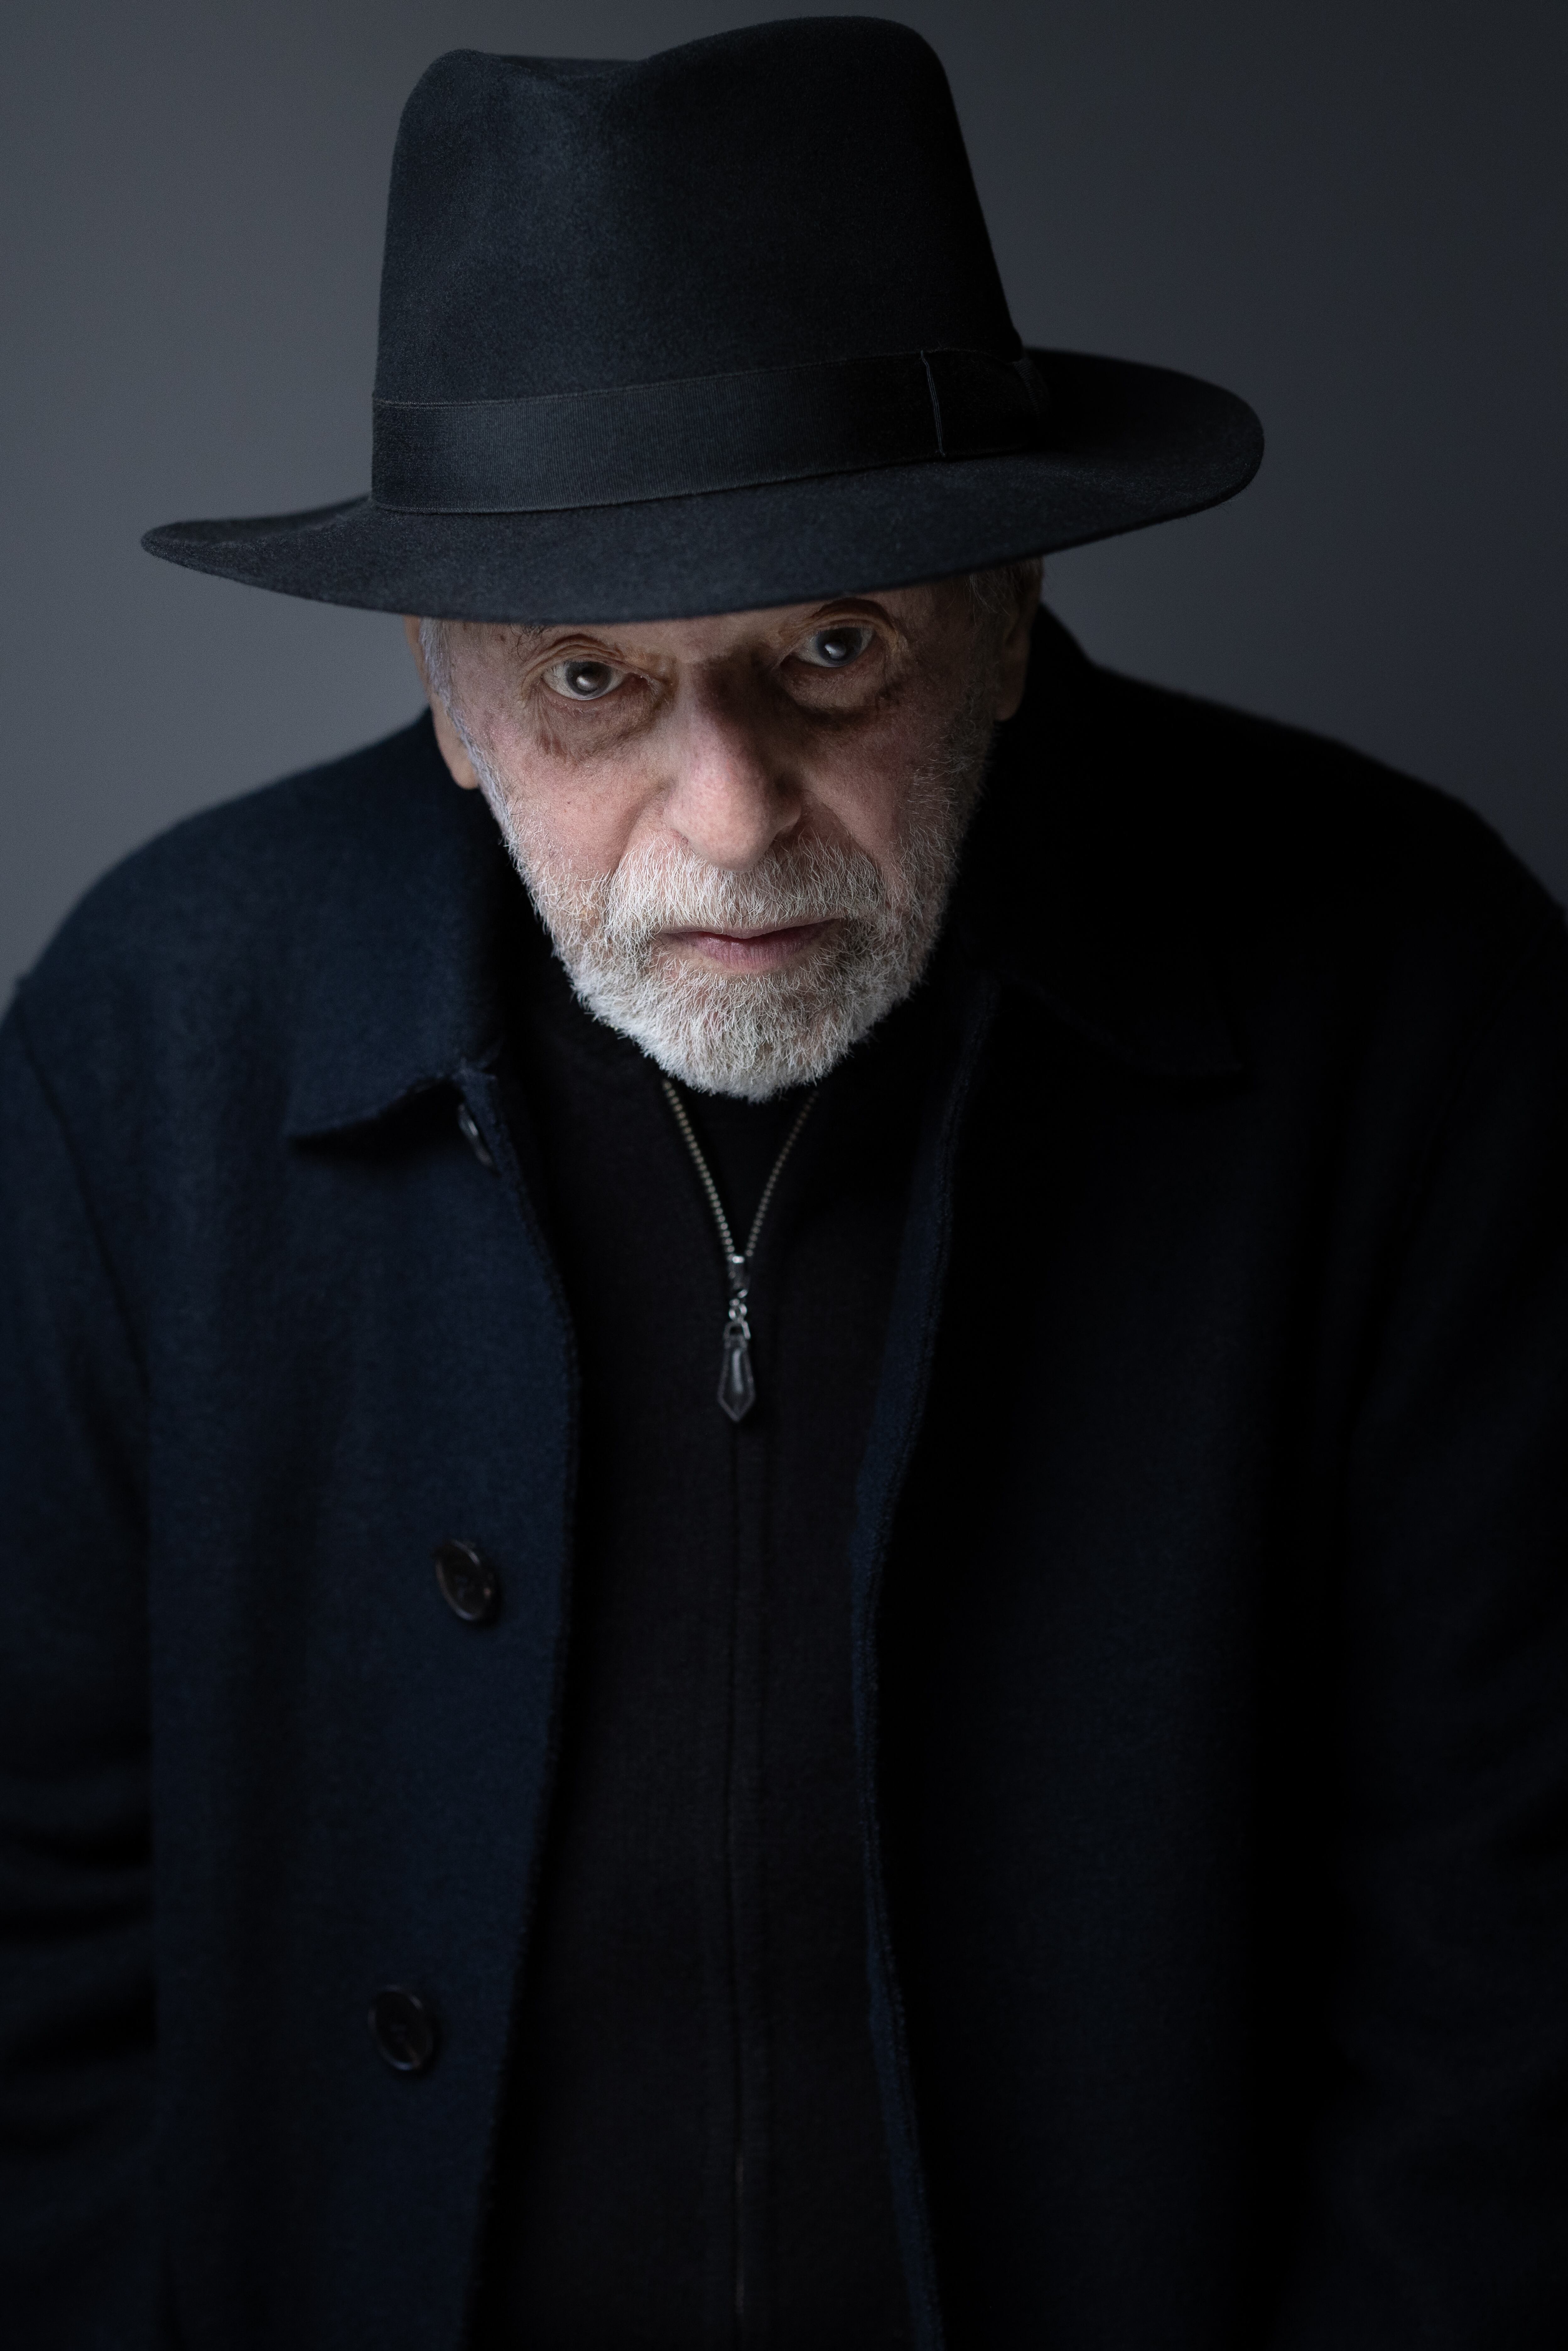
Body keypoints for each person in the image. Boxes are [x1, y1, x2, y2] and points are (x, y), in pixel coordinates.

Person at [3, 17, 1566, 2349]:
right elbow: (32, 1945)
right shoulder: (152, 1037)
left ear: (1013, 616)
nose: (727, 820)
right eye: (591, 683)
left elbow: (1512, 1968)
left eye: (832, 649)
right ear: (447, 685)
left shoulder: (1410, 1001)